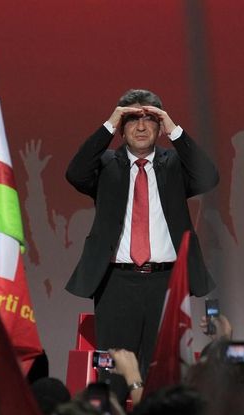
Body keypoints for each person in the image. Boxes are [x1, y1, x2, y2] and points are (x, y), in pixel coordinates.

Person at [65, 89, 219, 395]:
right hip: (116, 284)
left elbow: (208, 176)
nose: (140, 127)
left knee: (165, 379)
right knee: (115, 378)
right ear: (122, 128)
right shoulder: (107, 165)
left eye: (150, 120)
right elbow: (76, 172)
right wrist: (109, 123)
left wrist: (175, 129)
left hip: (166, 282)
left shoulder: (173, 165)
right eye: (132, 119)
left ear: (160, 127)